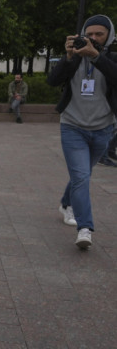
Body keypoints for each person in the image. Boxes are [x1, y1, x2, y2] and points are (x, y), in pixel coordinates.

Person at [48, 14, 117, 248]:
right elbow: (52, 80)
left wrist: (96, 56)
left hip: (103, 128)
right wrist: (68, 57)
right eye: (90, 34)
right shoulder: (75, 58)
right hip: (72, 127)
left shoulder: (112, 58)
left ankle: (66, 203)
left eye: (100, 34)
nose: (94, 38)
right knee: (81, 177)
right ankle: (85, 228)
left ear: (109, 36)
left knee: (83, 174)